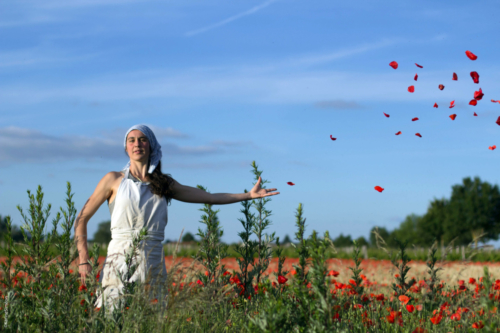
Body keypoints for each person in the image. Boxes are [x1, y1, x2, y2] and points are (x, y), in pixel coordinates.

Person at [74, 124, 279, 309]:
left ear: (151, 146)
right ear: (126, 147)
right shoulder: (113, 180)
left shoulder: (164, 184)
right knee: (114, 316)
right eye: (131, 140)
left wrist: (248, 195)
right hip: (119, 256)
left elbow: (209, 197)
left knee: (151, 319)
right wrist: (83, 258)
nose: (137, 144)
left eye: (143, 139)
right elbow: (81, 219)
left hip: (153, 258)